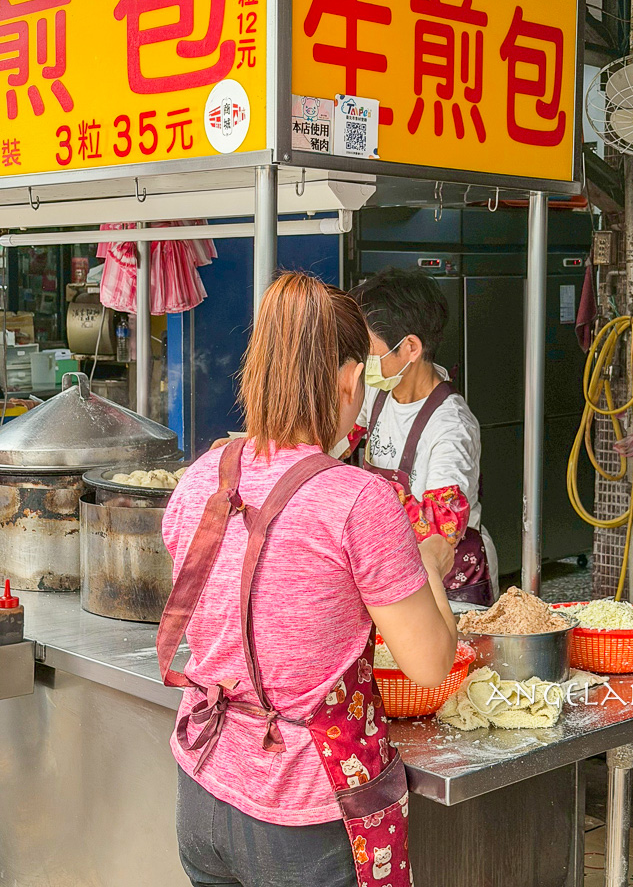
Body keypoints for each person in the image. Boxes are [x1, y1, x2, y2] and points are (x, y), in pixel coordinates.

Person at [158, 272, 456, 887]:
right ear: (348, 379)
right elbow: (430, 664)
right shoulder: (359, 500)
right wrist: (427, 561)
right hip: (305, 814)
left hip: (202, 791)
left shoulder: (200, 478)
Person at [349, 268, 499, 606]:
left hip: (447, 576)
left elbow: (442, 525)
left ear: (410, 348)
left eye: (367, 348)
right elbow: (337, 438)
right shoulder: (377, 392)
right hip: (392, 566)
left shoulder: (451, 425)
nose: (361, 360)